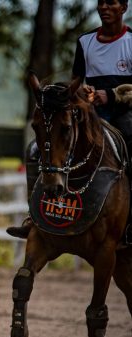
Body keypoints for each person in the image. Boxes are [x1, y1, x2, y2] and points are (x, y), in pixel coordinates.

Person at [8, 0, 132, 238]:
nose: (104, 7)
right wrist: (82, 91)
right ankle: (34, 218)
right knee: (35, 149)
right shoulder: (85, 42)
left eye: (112, 3)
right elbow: (77, 80)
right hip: (89, 115)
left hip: (124, 115)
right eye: (101, 2)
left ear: (124, 7)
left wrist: (113, 95)